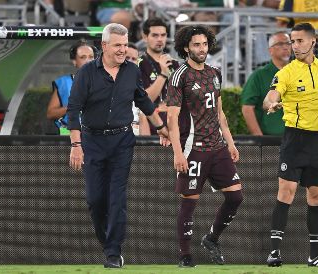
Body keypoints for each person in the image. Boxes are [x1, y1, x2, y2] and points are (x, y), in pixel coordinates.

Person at [66, 23, 169, 268]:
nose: (123, 50)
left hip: (122, 141)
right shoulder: (87, 72)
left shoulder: (132, 71)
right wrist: (76, 145)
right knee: (95, 200)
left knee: (117, 199)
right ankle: (106, 242)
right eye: (117, 45)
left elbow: (143, 101)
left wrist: (161, 128)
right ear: (104, 46)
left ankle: (113, 253)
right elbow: (73, 110)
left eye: (125, 45)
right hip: (92, 141)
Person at [263, 22, 318, 267]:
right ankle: (274, 252)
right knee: (286, 192)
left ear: (313, 41)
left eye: (298, 41)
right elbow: (270, 97)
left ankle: (315, 256)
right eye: (291, 41)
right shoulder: (286, 72)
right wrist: (272, 103)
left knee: (316, 196)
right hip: (294, 139)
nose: (294, 46)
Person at [166, 25, 243, 267]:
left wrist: (230, 143)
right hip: (193, 147)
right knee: (189, 201)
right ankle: (185, 256)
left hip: (217, 147)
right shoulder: (180, 75)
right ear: (186, 47)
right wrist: (178, 153)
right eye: (196, 44)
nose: (201, 49)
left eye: (204, 44)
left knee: (236, 196)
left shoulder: (215, 73)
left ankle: (211, 238)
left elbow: (220, 113)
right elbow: (171, 119)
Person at [241, 31, 291, 136]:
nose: (286, 47)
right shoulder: (259, 76)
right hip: (271, 140)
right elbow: (247, 108)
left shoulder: (299, 73)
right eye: (280, 44)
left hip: (298, 140)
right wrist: (260, 139)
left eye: (288, 43)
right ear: (270, 50)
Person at [138, 18, 180, 135]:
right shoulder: (139, 64)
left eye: (163, 35)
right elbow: (144, 100)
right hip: (150, 130)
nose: (160, 39)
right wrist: (163, 74)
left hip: (174, 128)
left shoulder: (174, 64)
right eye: (155, 35)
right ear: (145, 37)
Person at [46, 39, 96, 135]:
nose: (88, 61)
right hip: (69, 138)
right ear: (74, 61)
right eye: (83, 57)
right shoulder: (64, 82)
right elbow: (50, 114)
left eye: (91, 57)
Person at [125, 42, 150, 135]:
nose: (131, 61)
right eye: (127, 58)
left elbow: (146, 138)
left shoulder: (139, 88)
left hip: (136, 144)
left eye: (134, 59)